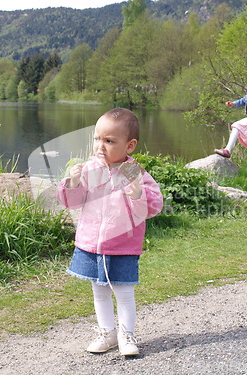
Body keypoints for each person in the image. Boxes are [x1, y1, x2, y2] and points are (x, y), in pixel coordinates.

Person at [56, 108, 163, 357]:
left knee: (124, 292)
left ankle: (127, 335)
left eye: (109, 141)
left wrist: (138, 194)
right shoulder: (90, 169)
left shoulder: (132, 172)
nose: (100, 146)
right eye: (97, 139)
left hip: (122, 244)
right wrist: (72, 184)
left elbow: (154, 205)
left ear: (130, 145)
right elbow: (74, 201)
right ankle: (107, 332)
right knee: (99, 292)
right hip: (91, 243)